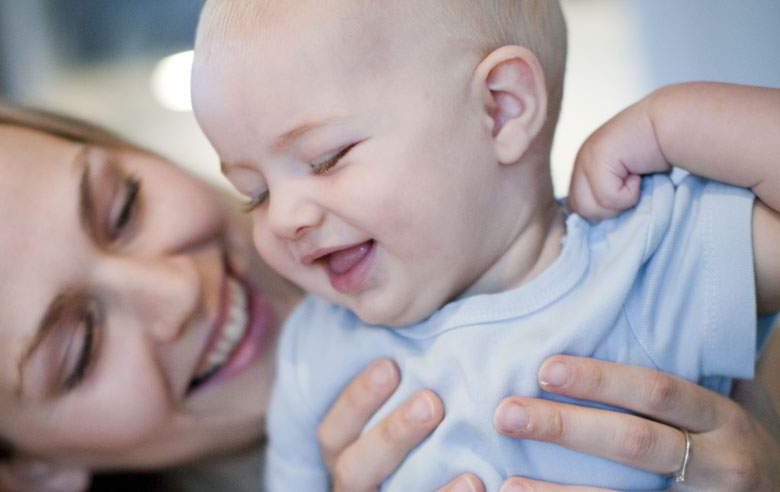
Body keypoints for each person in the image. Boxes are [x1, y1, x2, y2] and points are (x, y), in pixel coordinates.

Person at [0, 100, 776, 492]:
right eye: (77, 349)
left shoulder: (581, 249)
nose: (178, 290)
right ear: (18, 478)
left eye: (121, 206)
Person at [189, 1, 780, 490]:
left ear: (501, 109)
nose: (285, 218)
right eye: (255, 192)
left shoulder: (643, 260)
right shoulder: (312, 354)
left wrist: (668, 122)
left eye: (327, 158)